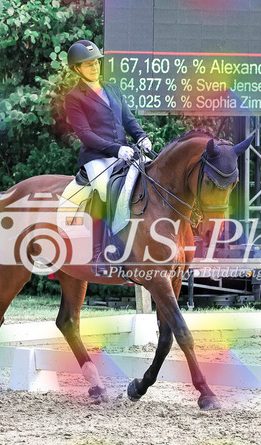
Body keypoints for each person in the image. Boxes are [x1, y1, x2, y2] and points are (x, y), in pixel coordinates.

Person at [64, 40, 152, 274]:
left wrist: (141, 137)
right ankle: (98, 253)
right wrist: (115, 149)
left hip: (125, 152)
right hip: (96, 157)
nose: (94, 67)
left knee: (151, 176)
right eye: (88, 64)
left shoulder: (112, 88)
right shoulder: (74, 97)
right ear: (77, 69)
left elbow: (129, 120)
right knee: (103, 188)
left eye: (96, 63)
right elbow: (85, 134)